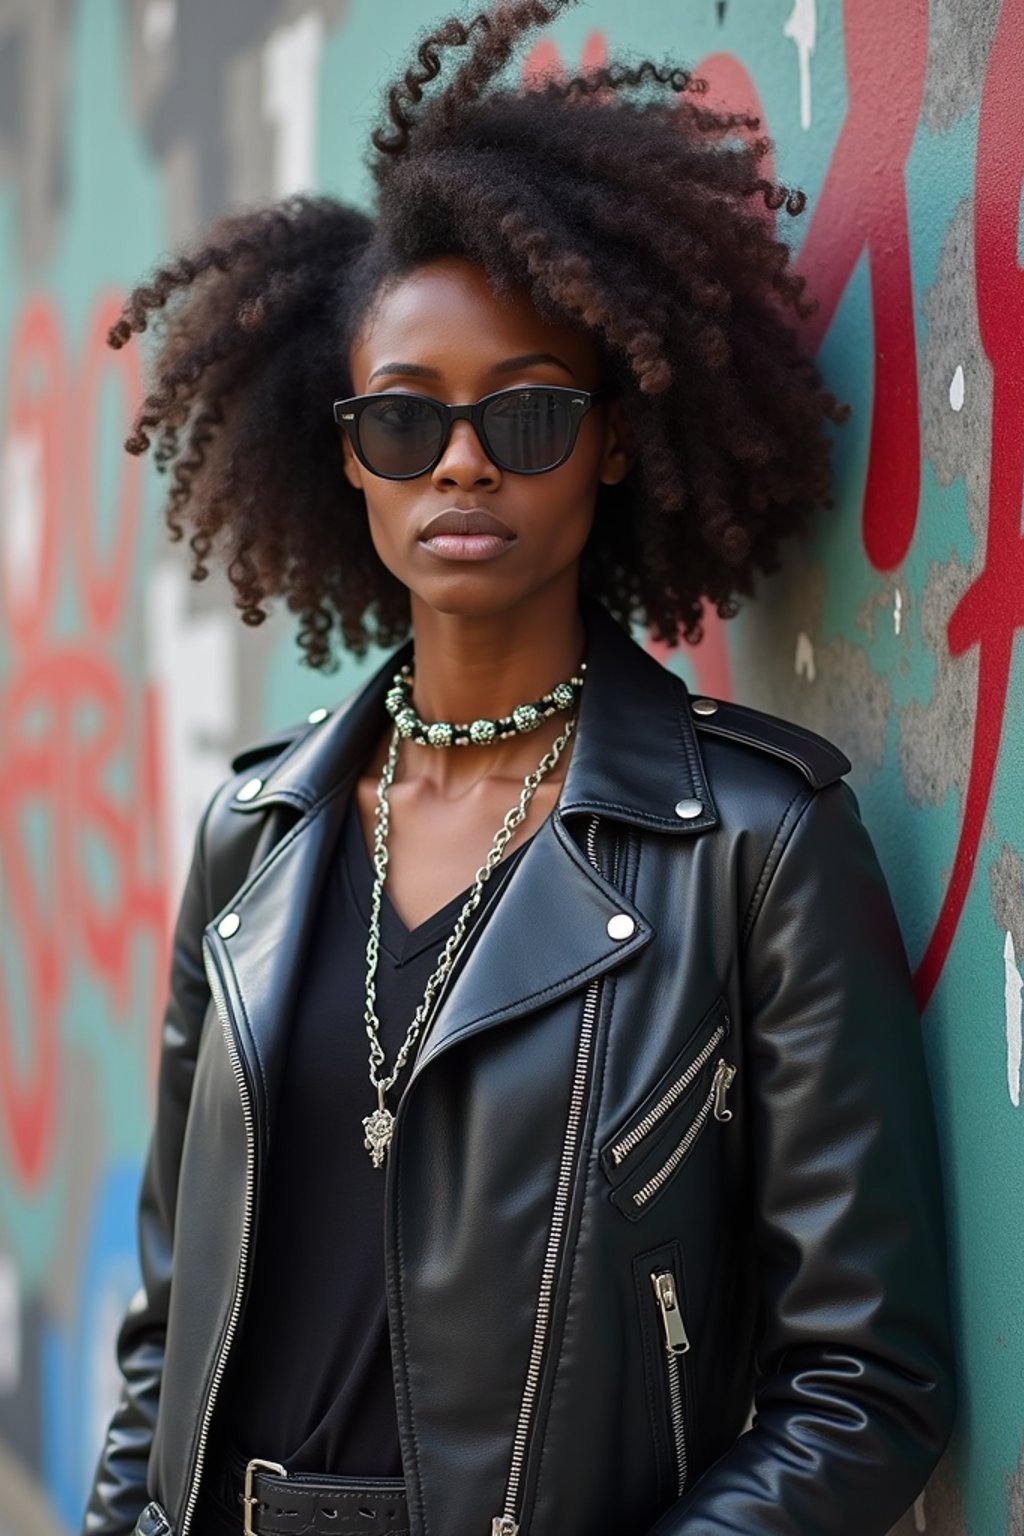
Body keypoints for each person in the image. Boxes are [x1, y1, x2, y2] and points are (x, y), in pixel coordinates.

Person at [82, 3, 955, 1534]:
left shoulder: (755, 841)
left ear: (613, 441)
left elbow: (863, 1385)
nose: (463, 462)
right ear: (345, 450)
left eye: (527, 415)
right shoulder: (254, 833)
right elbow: (166, 1338)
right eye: (408, 421)